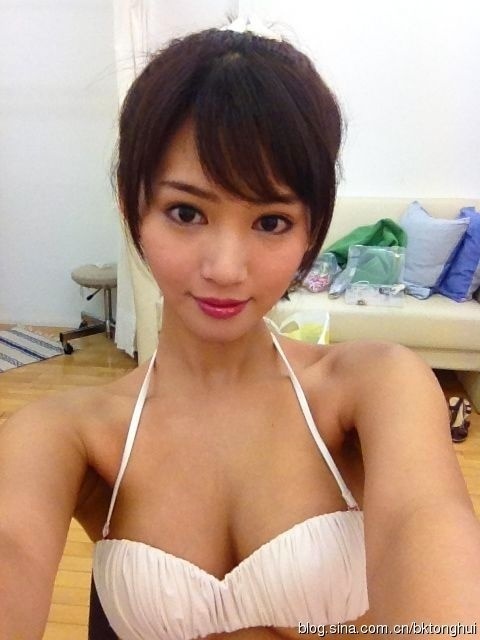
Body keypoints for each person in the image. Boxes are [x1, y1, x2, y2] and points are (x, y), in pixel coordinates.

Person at [1, 21, 479, 640]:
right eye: (186, 212)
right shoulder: (68, 433)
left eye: (271, 222)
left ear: (312, 230)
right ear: (132, 208)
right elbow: (13, 545)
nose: (225, 269)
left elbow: (426, 531)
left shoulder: (375, 387)